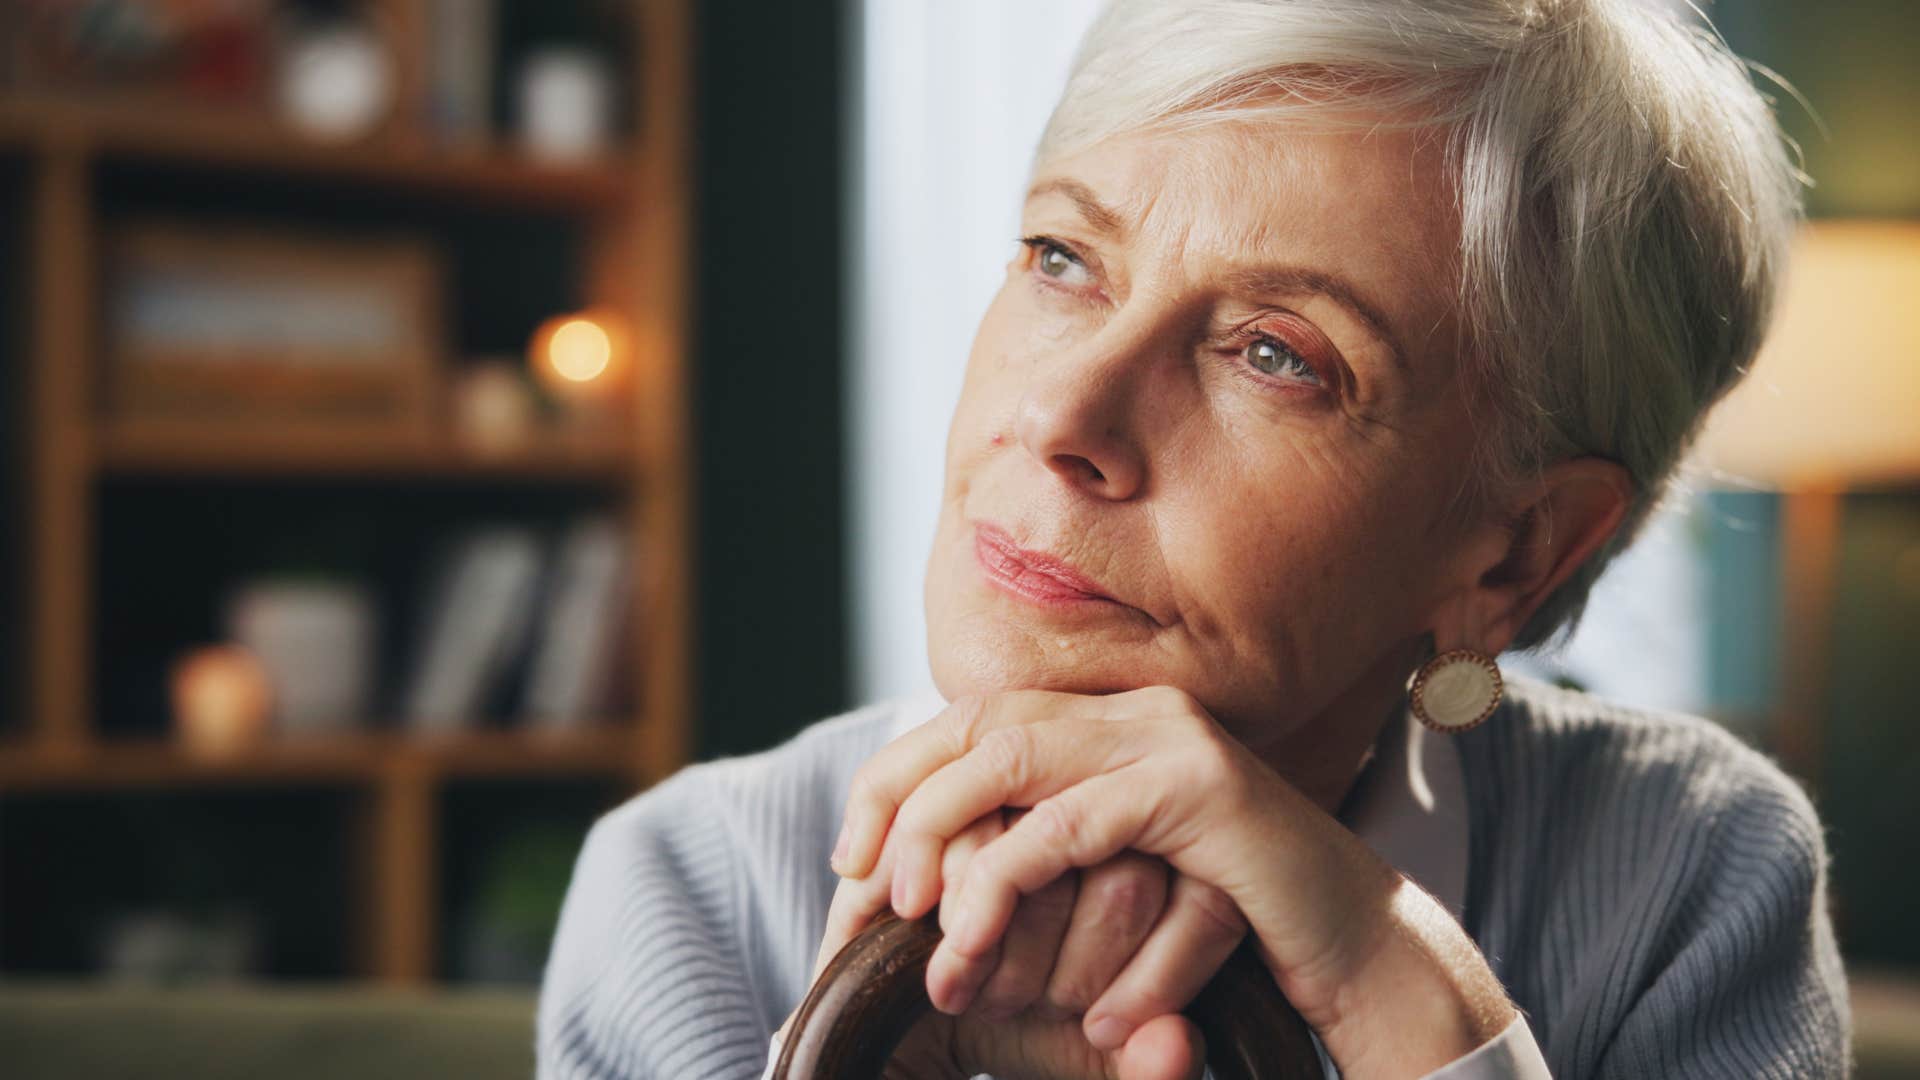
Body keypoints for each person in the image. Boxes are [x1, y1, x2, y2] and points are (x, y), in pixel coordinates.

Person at [538, 1, 1850, 1076]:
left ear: (1514, 554)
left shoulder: (1689, 875)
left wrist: (1411, 998)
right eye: (1062, 258)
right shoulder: (688, 894)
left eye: (1278, 355)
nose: (1060, 415)